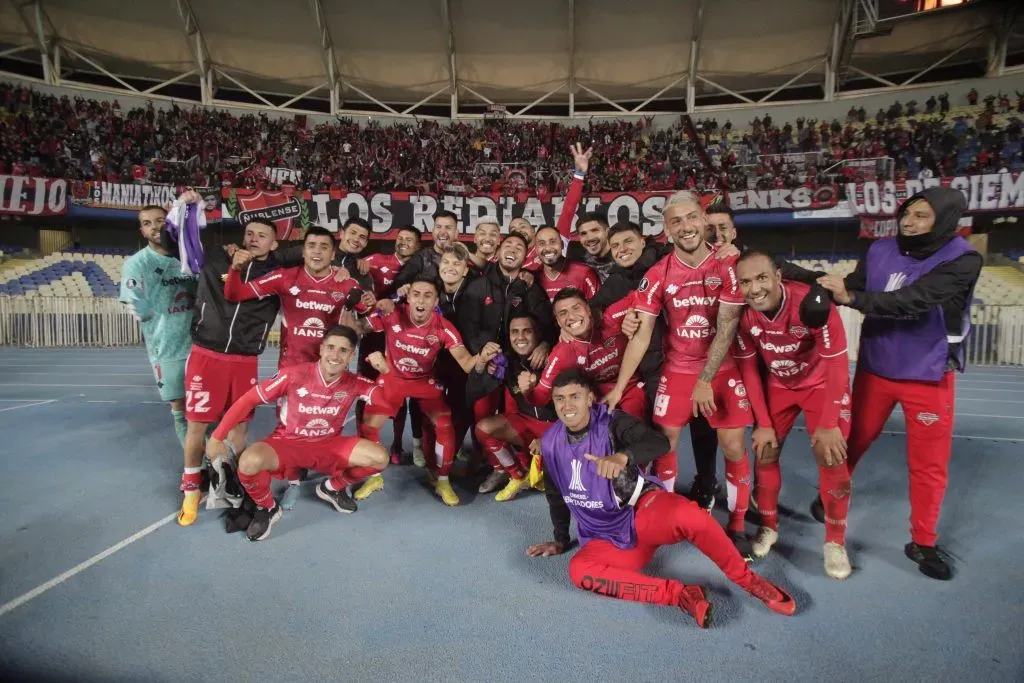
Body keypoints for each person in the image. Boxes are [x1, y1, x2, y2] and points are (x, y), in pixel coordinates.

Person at [526, 370, 796, 627]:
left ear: (589, 398)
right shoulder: (550, 442)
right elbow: (555, 492)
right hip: (605, 536)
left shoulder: (613, 421)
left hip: (641, 512)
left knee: (690, 515)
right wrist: (560, 538)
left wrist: (623, 456)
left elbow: (659, 443)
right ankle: (681, 595)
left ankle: (748, 580)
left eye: (575, 396)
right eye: (560, 399)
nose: (567, 405)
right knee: (579, 571)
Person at [817, 187, 982, 581]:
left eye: (921, 215)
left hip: (928, 374)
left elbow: (914, 301)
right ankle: (831, 500)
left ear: (944, 221)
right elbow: (851, 285)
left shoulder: (964, 259)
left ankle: (922, 541)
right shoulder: (879, 249)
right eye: (907, 212)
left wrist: (852, 296)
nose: (909, 221)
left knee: (927, 465)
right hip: (876, 367)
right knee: (847, 443)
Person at [608, 190, 754, 555]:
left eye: (691, 218)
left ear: (704, 220)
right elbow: (641, 336)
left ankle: (736, 527)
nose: (685, 226)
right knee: (664, 444)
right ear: (666, 229)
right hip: (677, 369)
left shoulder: (728, 266)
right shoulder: (658, 274)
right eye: (676, 221)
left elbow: (727, 327)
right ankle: (666, 518)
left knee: (733, 446)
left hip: (721, 369)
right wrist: (618, 387)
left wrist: (705, 379)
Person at [223, 225, 373, 508]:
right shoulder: (284, 277)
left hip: (332, 366)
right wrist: (234, 269)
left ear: (333, 252)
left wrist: (369, 303)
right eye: (312, 245)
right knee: (290, 427)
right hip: (292, 366)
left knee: (328, 418)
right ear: (303, 251)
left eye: (324, 247)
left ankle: (331, 480)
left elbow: (369, 311)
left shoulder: (346, 283)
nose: (317, 251)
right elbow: (234, 294)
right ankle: (292, 479)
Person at [732, 250, 853, 580]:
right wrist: (763, 423)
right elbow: (749, 368)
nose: (754, 289)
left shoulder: (811, 305)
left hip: (821, 384)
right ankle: (769, 527)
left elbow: (838, 363)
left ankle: (835, 541)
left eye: (761, 278)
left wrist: (829, 423)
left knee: (831, 457)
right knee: (765, 451)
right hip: (779, 386)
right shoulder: (743, 315)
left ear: (778, 277)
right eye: (745, 282)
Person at [206, 326, 389, 541]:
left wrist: (387, 373)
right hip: (287, 443)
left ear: (351, 355)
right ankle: (268, 507)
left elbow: (387, 401)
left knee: (379, 458)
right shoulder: (293, 375)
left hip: (328, 444)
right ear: (321, 349)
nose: (335, 355)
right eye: (330, 347)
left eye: (343, 350)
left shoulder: (355, 382)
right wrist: (217, 436)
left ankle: (332, 487)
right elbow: (248, 400)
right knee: (249, 462)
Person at [593, 221, 721, 508]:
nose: (621, 249)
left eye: (627, 242)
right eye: (615, 246)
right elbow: (594, 311)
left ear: (643, 241)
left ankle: (706, 483)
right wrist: (618, 321)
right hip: (654, 369)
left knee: (703, 429)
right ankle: (662, 496)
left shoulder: (667, 259)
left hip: (692, 363)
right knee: (663, 436)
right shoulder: (616, 281)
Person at [353, 277, 500, 506]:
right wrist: (365, 309)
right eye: (416, 294)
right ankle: (373, 478)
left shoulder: (444, 327)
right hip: (393, 378)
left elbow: (465, 362)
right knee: (369, 424)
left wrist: (482, 357)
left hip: (426, 382)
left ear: (435, 301)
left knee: (444, 425)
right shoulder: (392, 313)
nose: (421, 300)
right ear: (408, 297)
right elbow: (360, 329)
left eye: (428, 295)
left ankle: (442, 480)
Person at [177, 217, 284, 526]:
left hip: (244, 360)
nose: (254, 239)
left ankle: (237, 485)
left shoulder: (277, 276)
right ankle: (190, 488)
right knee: (197, 426)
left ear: (273, 244)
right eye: (250, 234)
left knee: (238, 431)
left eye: (262, 236)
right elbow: (183, 240)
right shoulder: (216, 258)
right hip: (206, 355)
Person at [119, 204, 197, 447]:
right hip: (167, 348)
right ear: (142, 231)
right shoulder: (138, 263)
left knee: (208, 407)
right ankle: (196, 467)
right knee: (180, 407)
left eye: (160, 220)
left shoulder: (189, 257)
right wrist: (138, 307)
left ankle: (215, 460)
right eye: (147, 223)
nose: (154, 227)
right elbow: (132, 298)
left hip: (202, 345)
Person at [522, 288, 647, 419]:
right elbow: (540, 398)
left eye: (576, 308)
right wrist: (527, 390)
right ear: (558, 322)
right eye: (563, 313)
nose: (571, 317)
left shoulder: (610, 319)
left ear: (588, 309)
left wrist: (632, 312)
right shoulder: (562, 354)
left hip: (632, 388)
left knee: (631, 423)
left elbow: (641, 296)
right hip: (600, 402)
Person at [471, 313, 556, 502]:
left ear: (537, 334)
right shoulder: (507, 362)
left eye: (527, 331)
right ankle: (518, 475)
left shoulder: (554, 359)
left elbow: (575, 415)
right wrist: (484, 366)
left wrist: (548, 438)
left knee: (561, 486)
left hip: (557, 430)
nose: (520, 337)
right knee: (484, 428)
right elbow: (476, 389)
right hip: (527, 425)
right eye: (514, 332)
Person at [363, 226, 424, 464]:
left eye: (410, 239)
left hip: (412, 337)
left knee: (416, 397)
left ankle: (412, 443)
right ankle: (376, 442)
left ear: (419, 245)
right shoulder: (376, 261)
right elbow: (351, 269)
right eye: (400, 238)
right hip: (378, 335)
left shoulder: (423, 267)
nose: (404, 242)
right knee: (373, 392)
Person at [534, 226, 600, 301]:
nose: (548, 248)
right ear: (536, 249)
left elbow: (597, 309)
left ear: (562, 245)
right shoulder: (533, 278)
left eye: (553, 242)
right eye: (542, 243)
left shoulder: (584, 273)